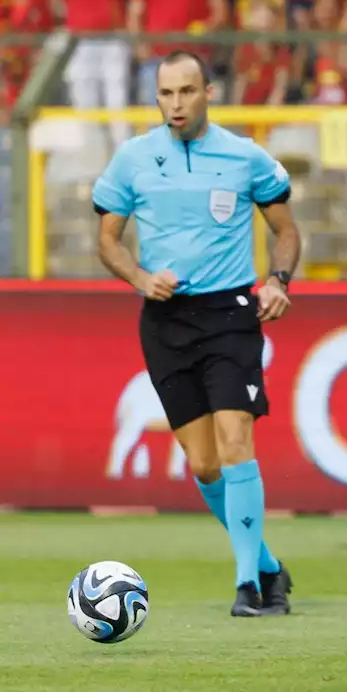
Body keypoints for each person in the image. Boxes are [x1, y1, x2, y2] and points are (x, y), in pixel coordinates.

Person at [93, 50, 302, 618]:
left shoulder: (245, 158)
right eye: (166, 94)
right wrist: (139, 276)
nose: (176, 104)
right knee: (206, 466)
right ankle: (266, 565)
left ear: (209, 91)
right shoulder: (134, 158)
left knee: (237, 442)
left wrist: (279, 280)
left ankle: (248, 590)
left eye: (186, 92)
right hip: (165, 323)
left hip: (232, 315)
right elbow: (108, 239)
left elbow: (285, 231)